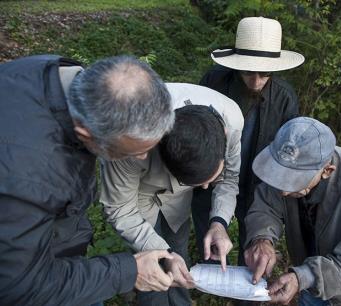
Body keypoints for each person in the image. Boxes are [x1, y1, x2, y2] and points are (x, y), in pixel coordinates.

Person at [0, 55, 176, 305]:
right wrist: (129, 272)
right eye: (130, 151)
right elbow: (19, 286)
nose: (144, 157)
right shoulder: (26, 178)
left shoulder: (61, 77)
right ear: (86, 133)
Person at [99, 83, 243, 306]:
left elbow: (230, 179)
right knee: (154, 265)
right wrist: (162, 254)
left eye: (210, 178)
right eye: (197, 182)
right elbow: (120, 208)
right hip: (138, 195)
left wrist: (219, 223)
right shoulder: (128, 137)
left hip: (178, 202)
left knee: (179, 250)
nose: (206, 188)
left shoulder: (231, 121)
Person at [191, 16, 305, 271]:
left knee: (252, 252)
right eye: (247, 72)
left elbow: (289, 151)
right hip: (211, 181)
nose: (255, 81)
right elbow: (195, 129)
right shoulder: (214, 82)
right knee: (209, 243)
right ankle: (212, 281)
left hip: (257, 187)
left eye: (264, 74)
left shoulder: (285, 98)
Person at [244, 117, 341, 306]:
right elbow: (266, 204)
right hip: (309, 281)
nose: (284, 190)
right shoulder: (286, 164)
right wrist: (262, 238)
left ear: (327, 171)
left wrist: (303, 277)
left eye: (294, 180)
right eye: (282, 175)